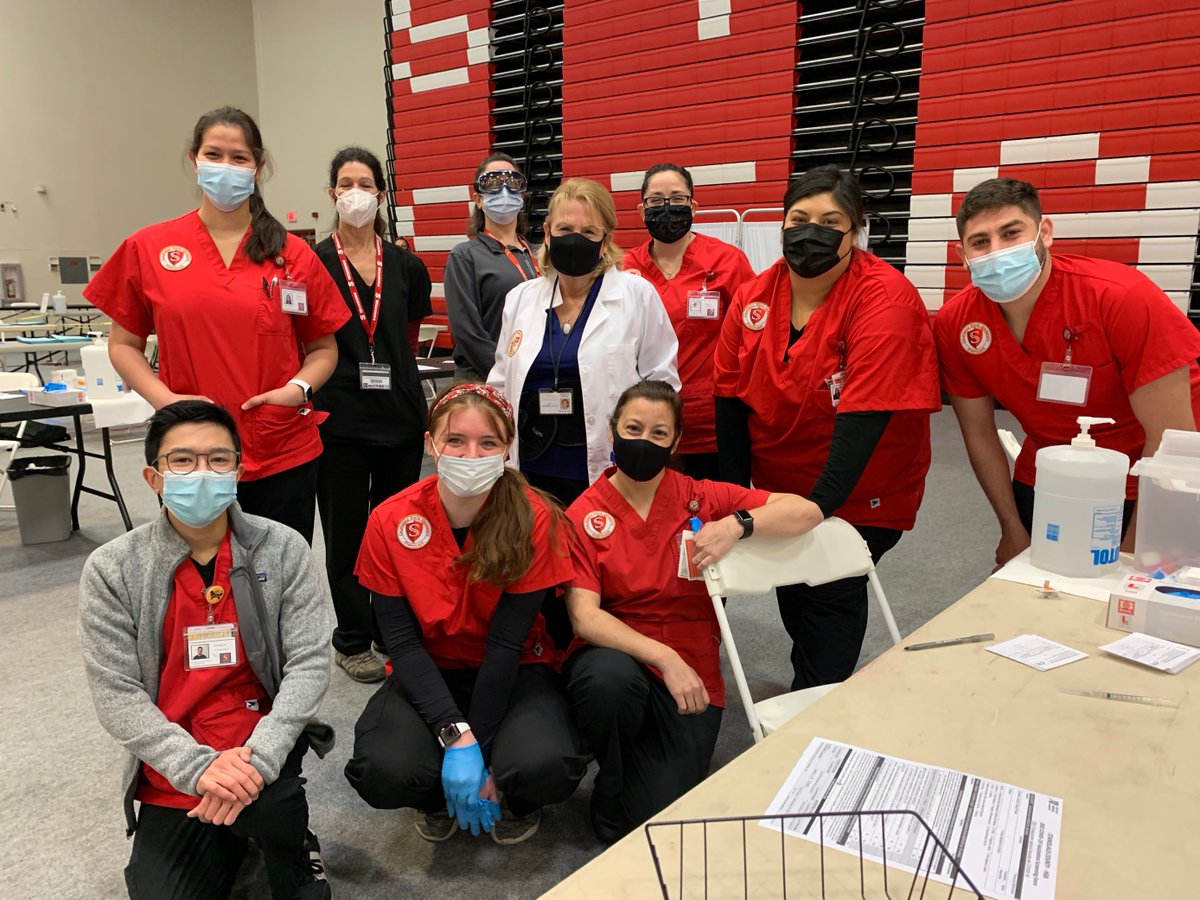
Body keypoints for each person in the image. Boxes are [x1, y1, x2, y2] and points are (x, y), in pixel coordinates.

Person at [79, 400, 334, 899]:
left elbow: (309, 662)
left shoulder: (283, 548)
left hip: (260, 741)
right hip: (174, 755)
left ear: (238, 471)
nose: (202, 472)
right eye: (182, 460)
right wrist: (199, 768)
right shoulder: (113, 568)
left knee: (290, 858)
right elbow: (116, 694)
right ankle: (233, 831)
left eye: (218, 459)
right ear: (153, 478)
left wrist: (260, 761)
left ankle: (286, 839)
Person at [713, 165, 940, 691]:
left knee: (828, 591)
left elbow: (866, 416)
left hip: (861, 488)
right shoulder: (755, 296)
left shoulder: (885, 299)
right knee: (796, 586)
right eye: (799, 219)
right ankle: (813, 688)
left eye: (830, 221)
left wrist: (814, 510)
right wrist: (737, 497)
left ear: (855, 230)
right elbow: (729, 398)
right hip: (780, 483)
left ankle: (818, 701)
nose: (811, 231)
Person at [565, 380, 822, 843]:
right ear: (613, 429)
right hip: (618, 652)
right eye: (633, 428)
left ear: (676, 441)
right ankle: (612, 773)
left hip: (694, 663)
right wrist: (665, 657)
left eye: (659, 433)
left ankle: (636, 761)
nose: (644, 441)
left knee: (658, 815)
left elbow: (806, 512)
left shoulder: (702, 498)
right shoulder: (585, 514)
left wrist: (737, 524)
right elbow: (585, 617)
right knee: (607, 683)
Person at [84, 106, 348, 543]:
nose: (226, 166)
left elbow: (324, 349)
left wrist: (297, 389)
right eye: (214, 154)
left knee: (279, 570)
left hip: (279, 444)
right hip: (191, 449)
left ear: (257, 167)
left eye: (239, 157)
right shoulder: (149, 248)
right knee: (197, 569)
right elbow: (123, 344)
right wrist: (165, 400)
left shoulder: (293, 255)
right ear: (195, 160)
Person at [345, 383, 586, 845]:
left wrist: (483, 747)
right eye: (455, 440)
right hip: (428, 667)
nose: (471, 455)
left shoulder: (536, 518)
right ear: (430, 444)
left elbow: (506, 642)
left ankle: (516, 796)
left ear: (507, 448)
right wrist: (457, 737)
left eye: (487, 442)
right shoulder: (389, 520)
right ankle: (435, 797)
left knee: (546, 766)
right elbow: (401, 642)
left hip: (515, 668)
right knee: (382, 769)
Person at [934, 177, 1200, 567]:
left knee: (1139, 586)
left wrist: (1132, 552)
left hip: (1151, 475)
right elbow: (979, 435)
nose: (997, 251)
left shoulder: (1119, 297)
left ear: (1045, 232)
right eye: (980, 242)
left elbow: (1171, 439)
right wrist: (1010, 527)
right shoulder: (957, 324)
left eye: (1011, 233)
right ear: (963, 253)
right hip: (1050, 468)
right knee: (1034, 582)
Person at [312, 146, 433, 684]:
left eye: (365, 183)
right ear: (332, 192)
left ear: (381, 195)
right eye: (346, 183)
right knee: (345, 533)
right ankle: (352, 639)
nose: (355, 193)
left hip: (398, 417)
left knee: (396, 531)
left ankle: (392, 628)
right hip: (336, 418)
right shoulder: (312, 263)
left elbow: (406, 339)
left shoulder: (406, 266)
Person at [488, 177, 680, 507]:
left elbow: (662, 382)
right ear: (547, 233)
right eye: (565, 229)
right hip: (530, 465)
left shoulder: (637, 296)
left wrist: (646, 450)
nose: (575, 239)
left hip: (607, 465)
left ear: (605, 241)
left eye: (589, 232)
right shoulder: (520, 298)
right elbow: (501, 382)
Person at [623, 163, 755, 480]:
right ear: (641, 210)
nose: (667, 207)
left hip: (714, 422)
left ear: (693, 206)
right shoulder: (624, 267)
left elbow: (753, 337)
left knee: (718, 505)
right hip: (647, 423)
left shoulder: (728, 261)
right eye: (656, 200)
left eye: (677, 198)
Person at [444, 153, 541, 381]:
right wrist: (506, 375)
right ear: (478, 199)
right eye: (493, 183)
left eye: (513, 182)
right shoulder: (465, 256)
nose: (504, 191)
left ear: (522, 195)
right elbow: (468, 333)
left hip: (534, 375)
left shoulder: (540, 254)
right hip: (485, 379)